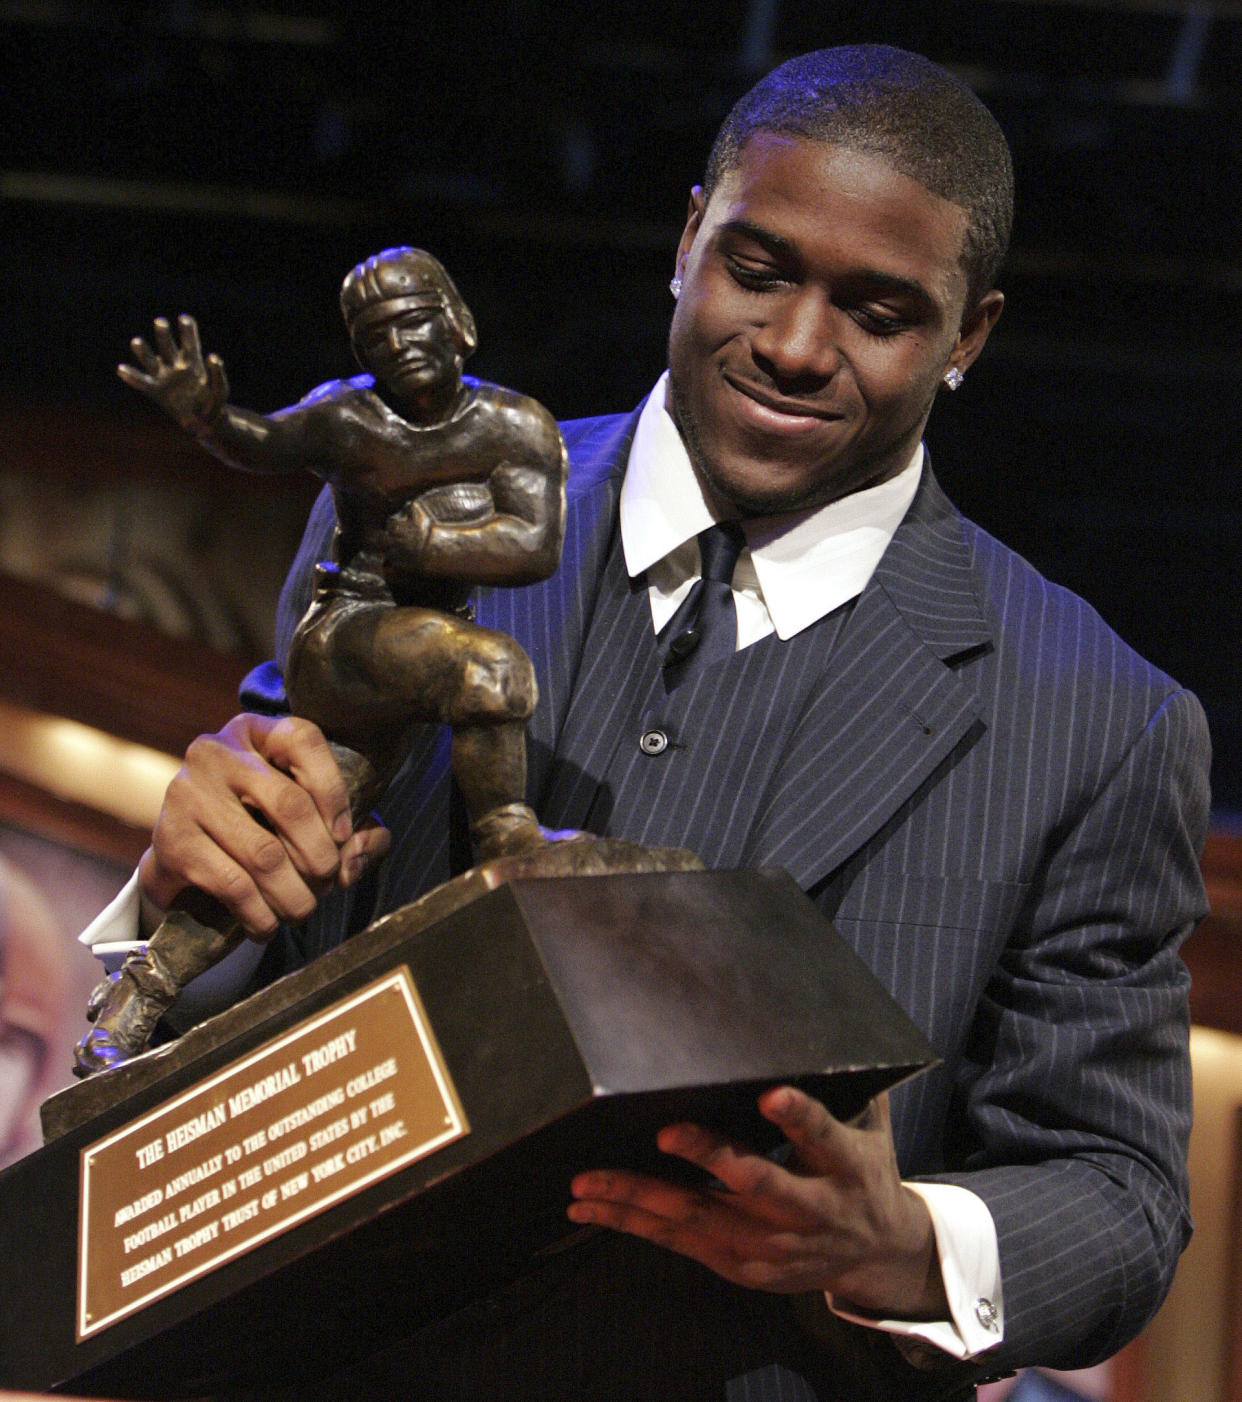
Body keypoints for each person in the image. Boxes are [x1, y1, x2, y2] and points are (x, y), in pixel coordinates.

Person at [85, 45, 1210, 1401]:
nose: (794, 346)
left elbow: (1119, 1196)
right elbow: (255, 947)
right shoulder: (406, 524)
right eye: (757, 268)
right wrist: (184, 889)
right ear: (687, 240)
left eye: (878, 309)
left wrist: (901, 1240)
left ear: (967, 336)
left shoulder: (1097, 718)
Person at [118, 248, 568, 862]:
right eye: (375, 336)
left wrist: (435, 546)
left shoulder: (515, 426)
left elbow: (535, 545)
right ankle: (505, 837)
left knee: (297, 836)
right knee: (491, 668)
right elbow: (270, 441)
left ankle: (160, 959)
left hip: (421, 645)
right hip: (345, 635)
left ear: (458, 322)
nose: (399, 345)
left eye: (412, 321)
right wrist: (211, 420)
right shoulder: (349, 416)